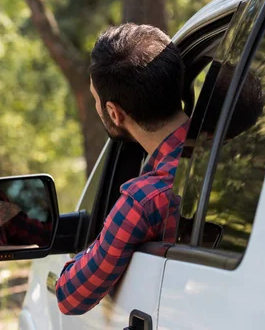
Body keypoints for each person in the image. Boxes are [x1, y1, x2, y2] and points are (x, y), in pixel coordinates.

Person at [55, 23, 189, 315]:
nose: (95, 106)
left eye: (95, 100)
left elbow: (70, 295)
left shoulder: (146, 198)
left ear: (114, 113)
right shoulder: (238, 150)